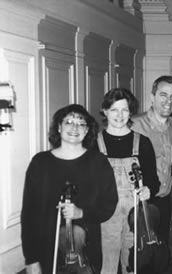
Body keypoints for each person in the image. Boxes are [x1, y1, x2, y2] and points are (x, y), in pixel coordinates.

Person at [21, 104, 118, 274]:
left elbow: (109, 204)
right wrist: (31, 259)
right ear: (59, 127)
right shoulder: (40, 163)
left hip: (85, 253)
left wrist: (82, 213)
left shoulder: (98, 162)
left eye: (81, 123)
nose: (75, 127)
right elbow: (28, 214)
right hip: (46, 252)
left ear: (87, 130)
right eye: (68, 122)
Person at [96, 88, 160, 274]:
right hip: (105, 214)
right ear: (105, 111)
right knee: (106, 263)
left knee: (132, 262)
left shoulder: (143, 142)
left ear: (130, 112)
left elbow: (153, 182)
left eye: (124, 110)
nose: (119, 115)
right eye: (114, 110)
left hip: (135, 214)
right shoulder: (94, 143)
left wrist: (149, 190)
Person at [131, 75, 172, 246]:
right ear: (152, 98)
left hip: (164, 199)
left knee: (161, 250)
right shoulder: (135, 125)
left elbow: (170, 163)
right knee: (141, 253)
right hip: (142, 202)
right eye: (163, 95)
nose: (169, 101)